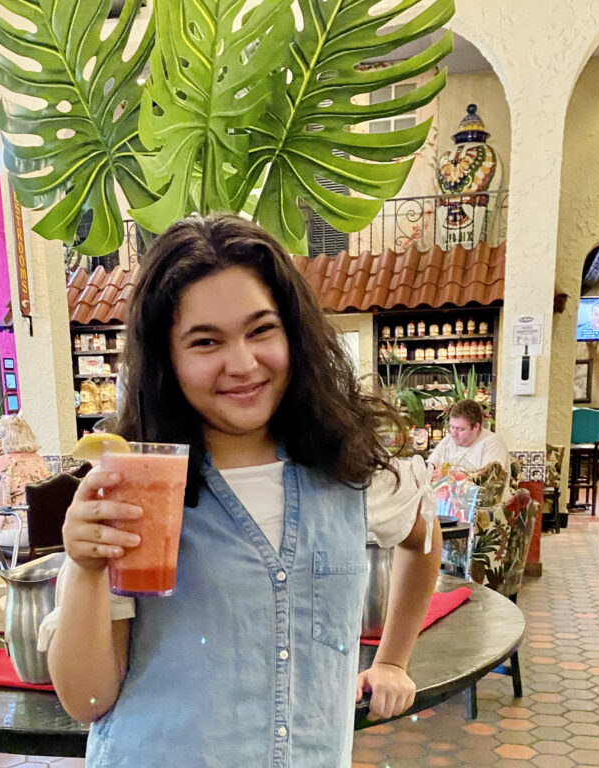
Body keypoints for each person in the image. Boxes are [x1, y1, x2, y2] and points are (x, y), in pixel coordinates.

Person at [46, 214, 442, 768]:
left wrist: (394, 660)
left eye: (261, 330)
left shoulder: (351, 468)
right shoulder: (135, 486)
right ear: (169, 359)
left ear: (294, 333)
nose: (243, 364)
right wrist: (85, 569)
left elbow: (423, 538)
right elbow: (88, 700)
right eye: (205, 341)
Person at [0, 413, 50, 563]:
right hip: (45, 528)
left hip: (19, 528)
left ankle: (13, 575)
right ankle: (22, 573)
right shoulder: (39, 460)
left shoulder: (3, 462)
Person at [427, 399, 510, 493]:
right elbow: (430, 466)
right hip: (449, 503)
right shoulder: (448, 441)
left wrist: (450, 477)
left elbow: (489, 482)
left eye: (460, 429)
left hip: (483, 505)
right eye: (452, 427)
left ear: (476, 427)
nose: (454, 433)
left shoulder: (493, 443)